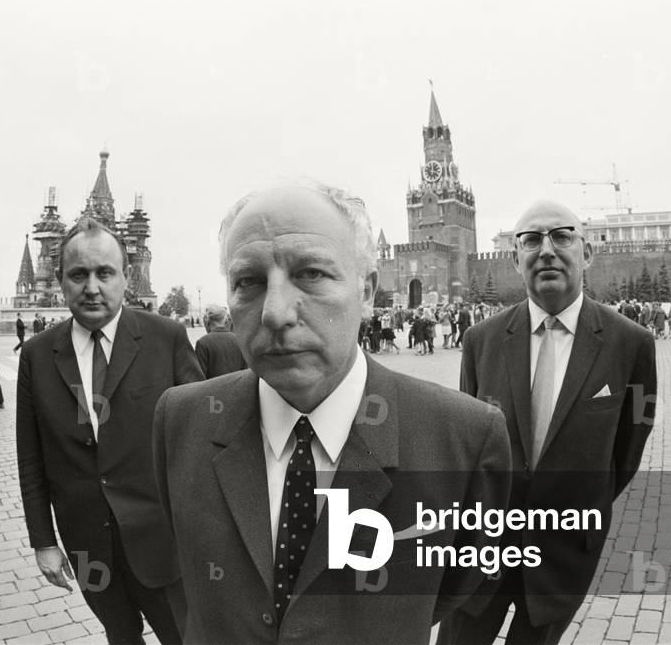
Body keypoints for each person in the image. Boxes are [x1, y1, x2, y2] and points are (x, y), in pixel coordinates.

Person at [152, 181, 511, 644]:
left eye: (311, 274)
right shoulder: (181, 420)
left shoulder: (463, 436)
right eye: (249, 282)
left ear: (366, 291)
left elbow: (458, 582)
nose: (275, 313)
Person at [439, 200, 656, 645]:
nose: (546, 250)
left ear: (587, 252)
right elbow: (469, 440)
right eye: (531, 240)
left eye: (561, 236)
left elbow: (629, 447)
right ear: (516, 258)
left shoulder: (631, 345)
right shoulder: (481, 341)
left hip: (563, 552)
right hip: (484, 548)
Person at [16, 217, 203, 645]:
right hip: (86, 541)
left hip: (161, 537)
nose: (92, 286)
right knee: (119, 635)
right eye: (78, 274)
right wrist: (43, 541)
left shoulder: (166, 338)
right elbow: (30, 456)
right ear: (61, 280)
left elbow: (199, 439)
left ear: (125, 277)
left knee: (183, 636)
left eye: (105, 273)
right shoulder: (38, 355)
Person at [194, 306, 247, 378]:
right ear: (225, 320)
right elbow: (245, 369)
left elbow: (199, 375)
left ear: (208, 321)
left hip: (212, 387)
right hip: (237, 386)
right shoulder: (238, 339)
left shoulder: (202, 343)